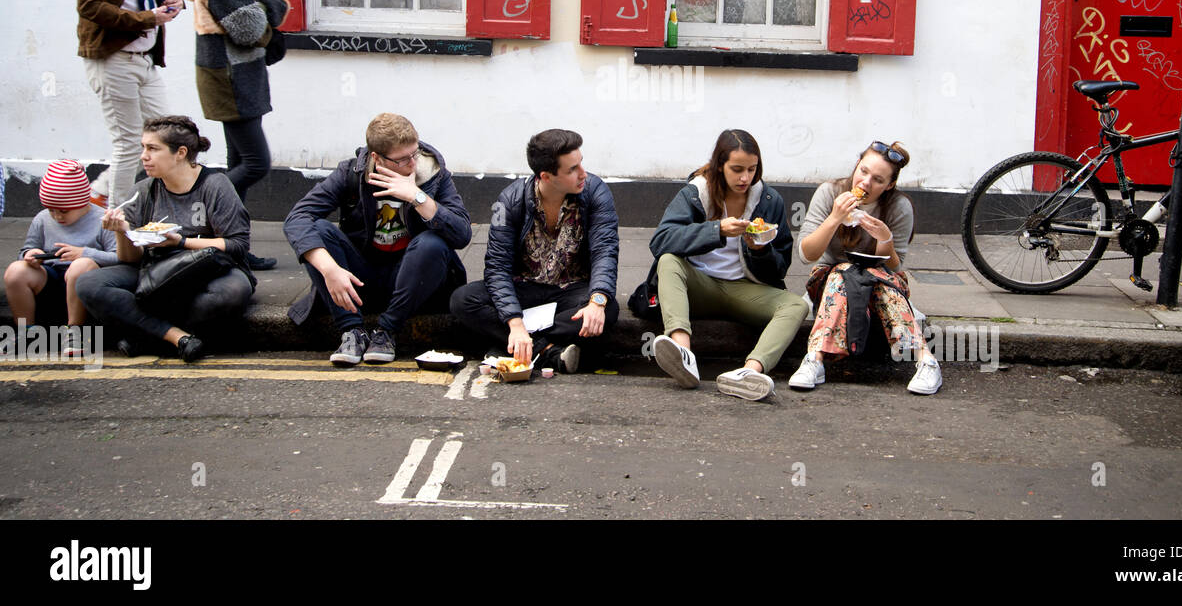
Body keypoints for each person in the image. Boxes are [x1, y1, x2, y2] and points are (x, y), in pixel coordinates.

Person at [284, 113, 470, 366]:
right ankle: (352, 331)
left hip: (413, 280)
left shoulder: (432, 173)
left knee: (432, 243)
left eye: (414, 154)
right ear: (376, 158)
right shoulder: (351, 173)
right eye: (402, 159)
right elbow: (298, 218)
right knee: (318, 230)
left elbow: (461, 234)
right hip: (361, 279)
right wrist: (329, 270)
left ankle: (386, 332)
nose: (412, 164)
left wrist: (417, 196)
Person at [76, 116, 256, 363]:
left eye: (152, 148)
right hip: (156, 269)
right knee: (89, 284)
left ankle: (147, 336)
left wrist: (180, 242)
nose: (143, 156)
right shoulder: (143, 190)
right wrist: (122, 231)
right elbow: (129, 259)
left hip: (207, 270)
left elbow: (237, 245)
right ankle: (177, 337)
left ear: (180, 153)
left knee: (233, 291)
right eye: (143, 147)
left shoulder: (215, 185)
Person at [646, 129, 803, 401]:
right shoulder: (696, 193)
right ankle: (683, 353)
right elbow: (661, 241)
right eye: (737, 169)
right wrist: (716, 230)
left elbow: (780, 268)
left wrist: (760, 249)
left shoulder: (769, 200)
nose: (745, 178)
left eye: (752, 169)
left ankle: (748, 372)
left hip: (744, 289)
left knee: (797, 305)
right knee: (668, 260)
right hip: (700, 285)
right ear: (720, 165)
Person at [450, 129, 619, 374]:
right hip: (524, 288)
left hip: (570, 290)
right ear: (547, 177)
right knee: (463, 300)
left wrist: (598, 301)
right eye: (572, 169)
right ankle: (545, 350)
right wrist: (515, 322)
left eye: (581, 163)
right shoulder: (508, 200)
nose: (583, 173)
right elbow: (497, 267)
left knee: (608, 309)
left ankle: (509, 344)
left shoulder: (596, 192)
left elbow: (605, 249)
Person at [186, 0, 290, 271]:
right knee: (256, 163)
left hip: (242, 71)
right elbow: (248, 28)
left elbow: (260, 11)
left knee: (238, 161)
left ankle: (232, 249)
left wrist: (265, 3)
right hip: (229, 74)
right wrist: (272, 2)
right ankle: (199, 216)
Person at [788, 140, 940, 395]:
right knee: (842, 271)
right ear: (856, 165)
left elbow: (894, 266)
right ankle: (814, 359)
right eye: (863, 171)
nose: (866, 183)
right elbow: (805, 254)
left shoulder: (898, 207)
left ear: (889, 185)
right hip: (830, 281)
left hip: (878, 283)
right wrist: (835, 218)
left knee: (880, 280)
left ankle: (927, 361)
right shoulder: (829, 193)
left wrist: (885, 239)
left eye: (878, 180)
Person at [77, 0, 185, 209]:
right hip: (113, 58)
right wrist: (146, 18)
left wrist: (172, 1)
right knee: (128, 143)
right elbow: (90, 5)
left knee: (167, 135)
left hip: (144, 59)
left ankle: (100, 192)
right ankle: (116, 224)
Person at [4, 160, 117, 346]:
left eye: (64, 211)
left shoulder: (102, 220)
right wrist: (31, 254)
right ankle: (27, 331)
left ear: (82, 202)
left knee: (81, 265)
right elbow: (25, 250)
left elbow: (119, 257)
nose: (57, 216)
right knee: (16, 271)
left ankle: (74, 331)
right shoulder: (42, 219)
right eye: (51, 210)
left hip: (85, 284)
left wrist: (84, 253)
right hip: (50, 279)